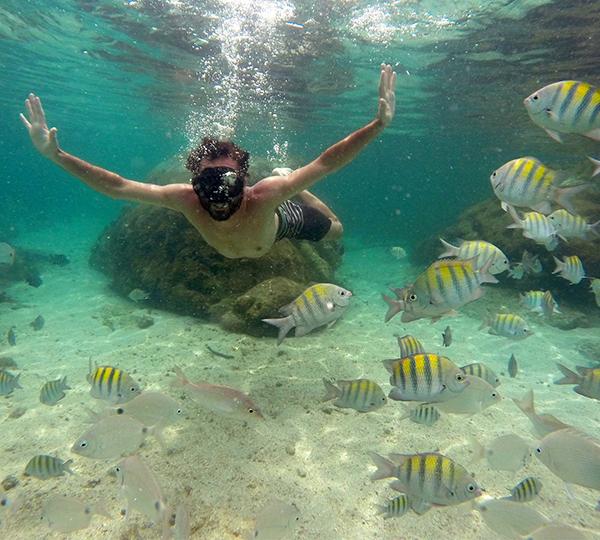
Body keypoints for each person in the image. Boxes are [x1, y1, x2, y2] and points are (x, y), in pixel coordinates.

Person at [20, 64, 396, 259]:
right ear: (193, 182)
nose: (216, 196)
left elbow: (327, 162)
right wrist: (56, 155)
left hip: (279, 227)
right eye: (207, 184)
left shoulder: (265, 196)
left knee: (338, 230)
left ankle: (304, 193)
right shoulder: (183, 198)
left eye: (227, 182)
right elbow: (118, 187)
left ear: (245, 181)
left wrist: (377, 126)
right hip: (253, 239)